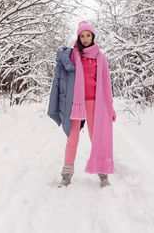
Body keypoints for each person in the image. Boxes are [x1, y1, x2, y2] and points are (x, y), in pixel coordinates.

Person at [47, 21, 116, 188]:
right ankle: (66, 174)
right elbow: (62, 72)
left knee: (96, 137)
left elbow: (106, 84)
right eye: (82, 36)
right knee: (73, 137)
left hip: (95, 103)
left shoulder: (100, 57)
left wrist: (110, 106)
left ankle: (102, 173)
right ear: (79, 37)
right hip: (75, 103)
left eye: (88, 35)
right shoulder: (73, 55)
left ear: (93, 37)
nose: (85, 39)